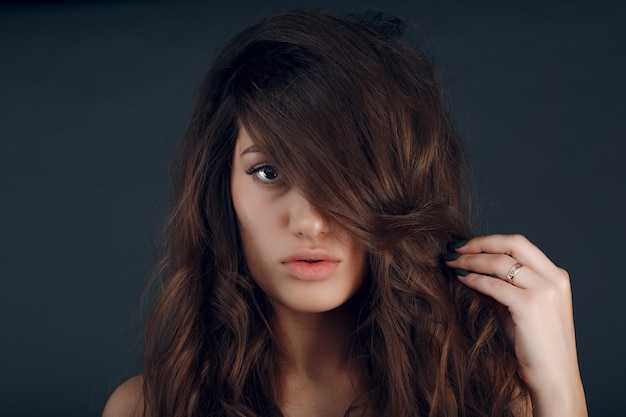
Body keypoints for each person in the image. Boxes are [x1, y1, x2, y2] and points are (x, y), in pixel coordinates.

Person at [103, 9, 587, 417]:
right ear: (220, 189)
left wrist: (561, 387)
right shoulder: (147, 407)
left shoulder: (492, 401)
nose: (310, 222)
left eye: (343, 172)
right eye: (268, 172)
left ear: (399, 188)